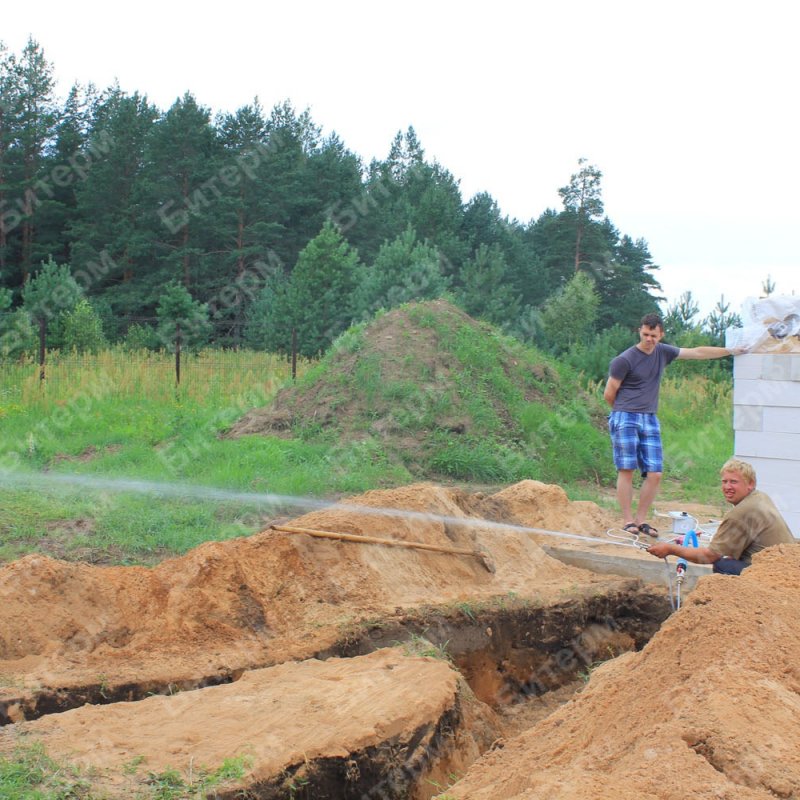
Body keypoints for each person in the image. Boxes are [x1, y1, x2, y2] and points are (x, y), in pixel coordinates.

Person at [603, 313, 739, 536]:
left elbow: (697, 352)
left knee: (655, 472)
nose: (649, 339)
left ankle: (641, 520)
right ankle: (628, 521)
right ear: (640, 331)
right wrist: (622, 412)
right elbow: (609, 393)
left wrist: (731, 350)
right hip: (625, 416)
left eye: (654, 335)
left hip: (650, 417)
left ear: (661, 334)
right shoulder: (624, 360)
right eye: (646, 334)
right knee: (626, 469)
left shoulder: (663, 352)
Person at [647, 459, 794, 574]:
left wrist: (670, 549)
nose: (727, 487)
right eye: (725, 482)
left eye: (734, 482)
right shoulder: (760, 497)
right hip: (788, 566)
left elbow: (710, 556)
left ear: (750, 484)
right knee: (728, 558)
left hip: (772, 574)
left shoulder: (741, 512)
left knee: (723, 566)